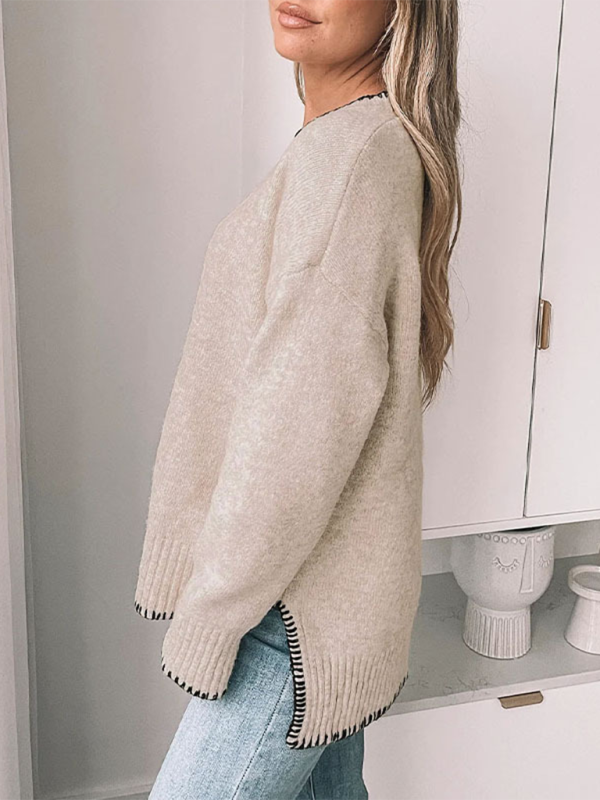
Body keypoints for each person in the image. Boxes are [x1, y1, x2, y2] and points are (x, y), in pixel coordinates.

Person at [134, 1, 461, 797]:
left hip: (287, 615)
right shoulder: (353, 143)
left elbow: (297, 426)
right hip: (314, 599)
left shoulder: (352, 161)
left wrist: (214, 612)